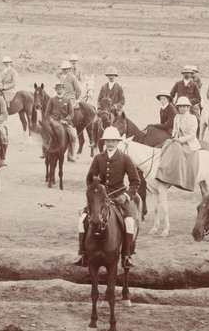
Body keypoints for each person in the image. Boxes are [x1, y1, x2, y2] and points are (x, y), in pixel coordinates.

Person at [74, 126, 142, 268]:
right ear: (104, 142)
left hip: (119, 197)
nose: (110, 143)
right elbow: (89, 179)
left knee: (129, 221)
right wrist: (96, 189)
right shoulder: (98, 158)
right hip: (100, 199)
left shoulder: (125, 158)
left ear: (118, 142)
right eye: (108, 141)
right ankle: (83, 254)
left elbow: (135, 181)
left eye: (113, 141)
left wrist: (126, 196)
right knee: (82, 220)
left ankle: (127, 255)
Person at [48, 82, 75, 162]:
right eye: (58, 89)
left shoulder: (68, 100)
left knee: (73, 136)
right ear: (55, 90)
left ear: (63, 90)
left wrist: (66, 120)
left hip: (65, 123)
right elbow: (47, 113)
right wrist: (52, 121)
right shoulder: (52, 100)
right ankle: (46, 152)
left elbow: (71, 113)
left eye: (61, 89)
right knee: (46, 135)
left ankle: (70, 155)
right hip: (54, 123)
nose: (59, 90)